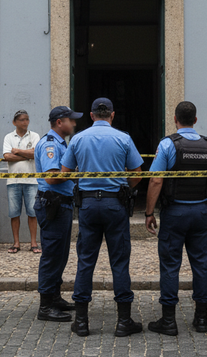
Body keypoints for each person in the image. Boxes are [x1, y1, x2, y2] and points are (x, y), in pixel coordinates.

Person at [60, 98, 144, 338]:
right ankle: (123, 321)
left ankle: (82, 321)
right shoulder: (123, 138)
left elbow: (65, 172)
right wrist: (124, 187)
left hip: (87, 203)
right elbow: (138, 173)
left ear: (91, 114)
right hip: (114, 203)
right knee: (119, 261)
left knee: (86, 261)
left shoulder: (77, 139)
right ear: (112, 115)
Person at [144, 101, 207, 336]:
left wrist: (149, 212)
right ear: (195, 120)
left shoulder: (168, 144)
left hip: (175, 213)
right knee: (200, 264)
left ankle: (168, 321)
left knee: (170, 266)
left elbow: (156, 180)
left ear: (175, 119)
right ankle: (201, 320)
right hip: (199, 211)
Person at [33, 106, 83, 322]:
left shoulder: (61, 143)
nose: (74, 124)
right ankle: (45, 306)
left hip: (60, 205)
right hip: (52, 204)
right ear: (60, 122)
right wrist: (76, 174)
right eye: (71, 120)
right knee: (52, 255)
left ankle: (54, 297)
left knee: (60, 255)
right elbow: (52, 178)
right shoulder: (50, 145)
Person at [2, 110, 41, 254]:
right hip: (14, 180)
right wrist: (27, 154)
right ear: (15, 122)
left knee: (32, 213)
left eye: (27, 119)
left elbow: (36, 153)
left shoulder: (35, 135)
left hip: (32, 180)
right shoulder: (8, 137)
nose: (25, 122)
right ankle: (16, 243)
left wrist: (17, 151)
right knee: (14, 213)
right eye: (22, 120)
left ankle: (33, 243)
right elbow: (7, 156)